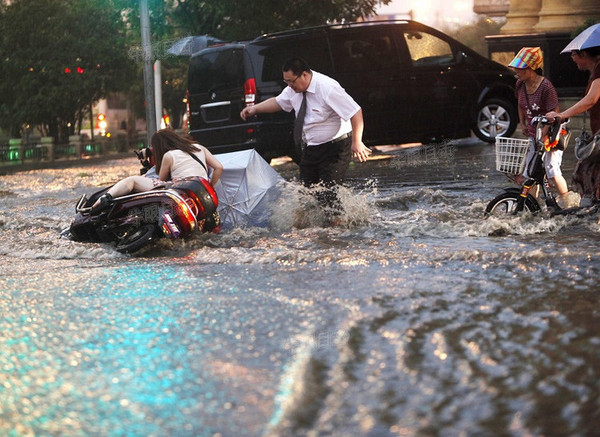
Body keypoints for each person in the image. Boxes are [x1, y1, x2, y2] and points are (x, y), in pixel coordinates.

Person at [240, 57, 371, 221]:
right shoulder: (293, 89)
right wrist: (254, 109)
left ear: (304, 75)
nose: (289, 86)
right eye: (286, 82)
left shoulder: (327, 87)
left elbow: (355, 112)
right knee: (305, 194)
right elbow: (279, 102)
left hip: (335, 148)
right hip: (311, 148)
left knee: (328, 194)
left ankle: (337, 228)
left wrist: (357, 142)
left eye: (291, 82)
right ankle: (305, 228)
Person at [92, 129, 223, 210]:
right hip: (202, 191)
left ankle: (100, 202)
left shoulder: (169, 156)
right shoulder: (198, 148)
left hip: (179, 190)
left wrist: (146, 165)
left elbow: (161, 180)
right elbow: (219, 167)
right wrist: (209, 185)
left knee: (132, 181)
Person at [508, 47, 570, 204]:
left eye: (520, 68)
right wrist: (522, 123)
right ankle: (531, 204)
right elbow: (520, 104)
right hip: (533, 134)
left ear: (531, 69)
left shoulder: (546, 87)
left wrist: (544, 133)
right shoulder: (520, 84)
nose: (517, 71)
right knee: (531, 172)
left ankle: (567, 202)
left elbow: (554, 112)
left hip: (551, 133)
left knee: (552, 170)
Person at [546, 46, 600, 205]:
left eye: (574, 54)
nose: (572, 58)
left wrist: (563, 115)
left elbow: (591, 99)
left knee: (587, 169)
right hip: (597, 133)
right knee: (587, 171)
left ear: (584, 54)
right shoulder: (595, 72)